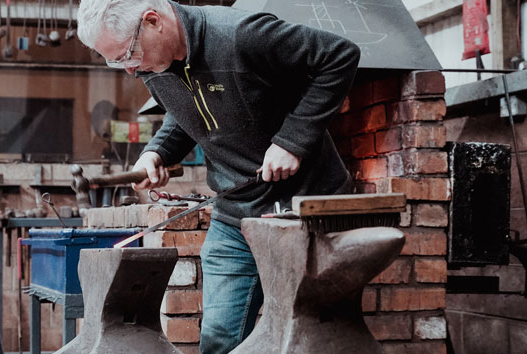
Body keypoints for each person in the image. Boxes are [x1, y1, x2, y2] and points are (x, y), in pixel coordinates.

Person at [76, 0, 360, 352]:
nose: (130, 70)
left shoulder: (241, 36)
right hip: (234, 217)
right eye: (115, 61)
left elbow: (339, 55)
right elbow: (185, 111)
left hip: (304, 210)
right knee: (220, 339)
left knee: (312, 338)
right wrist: (157, 151)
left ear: (153, 21)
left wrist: (292, 142)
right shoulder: (153, 62)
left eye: (127, 55)